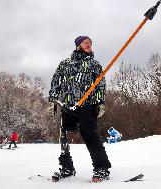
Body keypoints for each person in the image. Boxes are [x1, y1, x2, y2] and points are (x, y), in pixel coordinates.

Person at [49, 36, 111, 182]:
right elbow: (55, 81)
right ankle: (67, 168)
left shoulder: (94, 64)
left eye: (90, 43)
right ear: (78, 45)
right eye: (86, 43)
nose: (89, 45)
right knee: (64, 135)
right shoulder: (65, 64)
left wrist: (100, 102)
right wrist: (53, 100)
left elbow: (101, 84)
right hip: (67, 104)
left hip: (87, 105)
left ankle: (102, 168)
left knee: (90, 135)